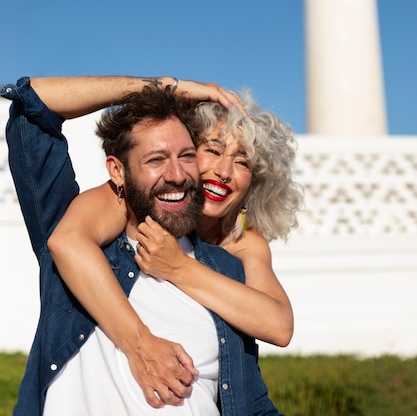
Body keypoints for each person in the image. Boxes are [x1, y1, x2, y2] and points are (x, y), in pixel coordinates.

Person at [2, 75, 283, 416]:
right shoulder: (82, 235)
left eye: (186, 156)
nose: (177, 174)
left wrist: (179, 266)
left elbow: (253, 399)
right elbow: (33, 104)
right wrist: (164, 87)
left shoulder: (229, 266)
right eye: (156, 159)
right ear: (117, 172)